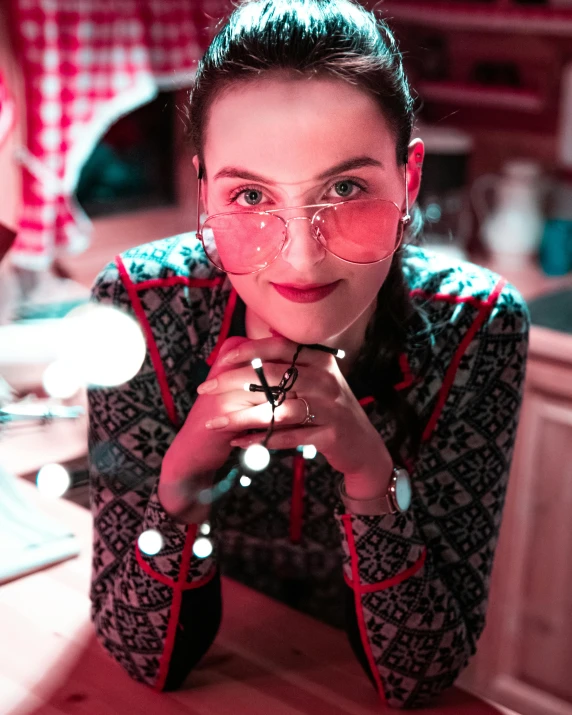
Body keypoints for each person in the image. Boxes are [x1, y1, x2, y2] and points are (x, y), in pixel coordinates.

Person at [87, 0, 530, 707]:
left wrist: (369, 472)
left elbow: (419, 675)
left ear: (409, 179)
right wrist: (182, 475)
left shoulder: (474, 326)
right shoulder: (142, 302)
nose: (300, 253)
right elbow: (140, 654)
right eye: (252, 194)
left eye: (346, 188)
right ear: (205, 191)